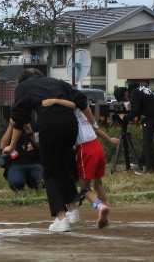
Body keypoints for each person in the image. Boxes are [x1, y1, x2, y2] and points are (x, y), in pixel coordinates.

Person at [3, 68, 95, 233]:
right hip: (70, 125)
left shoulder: (23, 87)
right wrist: (94, 125)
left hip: (50, 125)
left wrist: (11, 146)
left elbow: (18, 119)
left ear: (22, 80)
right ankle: (72, 210)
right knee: (63, 167)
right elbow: (81, 101)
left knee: (51, 173)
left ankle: (61, 218)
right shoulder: (56, 81)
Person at [41, 97, 120, 228]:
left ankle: (100, 206)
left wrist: (54, 101)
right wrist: (110, 140)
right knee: (98, 184)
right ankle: (105, 214)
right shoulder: (83, 113)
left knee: (84, 189)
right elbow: (97, 131)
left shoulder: (67, 117)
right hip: (97, 146)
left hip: (85, 149)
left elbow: (71, 104)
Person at [114, 82, 154, 174]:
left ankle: (149, 169)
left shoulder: (134, 93)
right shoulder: (140, 89)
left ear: (126, 93)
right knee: (146, 142)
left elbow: (136, 111)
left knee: (147, 143)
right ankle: (141, 161)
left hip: (150, 117)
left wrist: (125, 117)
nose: (126, 100)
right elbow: (140, 109)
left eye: (124, 99)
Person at [0, 118, 43, 191]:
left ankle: (33, 183)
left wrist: (30, 131)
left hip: (34, 161)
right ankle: (21, 179)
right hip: (16, 162)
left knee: (43, 182)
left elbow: (40, 145)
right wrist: (11, 126)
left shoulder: (35, 125)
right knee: (16, 184)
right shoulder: (8, 126)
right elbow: (2, 146)